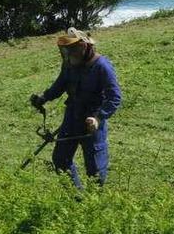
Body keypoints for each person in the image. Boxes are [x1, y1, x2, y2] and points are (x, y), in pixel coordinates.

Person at [30, 28, 122, 188]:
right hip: (72, 116)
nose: (69, 53)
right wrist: (44, 97)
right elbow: (60, 84)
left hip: (91, 121)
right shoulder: (69, 64)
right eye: (67, 49)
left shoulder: (102, 66)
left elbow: (114, 97)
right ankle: (75, 198)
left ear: (84, 47)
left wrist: (98, 118)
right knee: (60, 160)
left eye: (72, 49)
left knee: (96, 171)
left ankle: (95, 206)